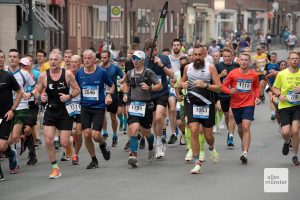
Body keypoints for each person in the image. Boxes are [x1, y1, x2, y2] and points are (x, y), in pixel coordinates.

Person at [32, 51, 80, 179]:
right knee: (48, 141)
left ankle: (70, 148)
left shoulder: (68, 74)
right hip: (51, 110)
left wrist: (68, 96)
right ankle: (55, 168)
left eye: (55, 60)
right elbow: (35, 90)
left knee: (64, 142)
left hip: (64, 111)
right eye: (51, 60)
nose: (53, 62)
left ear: (60, 62)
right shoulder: (43, 76)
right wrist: (39, 96)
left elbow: (77, 89)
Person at [180, 44, 221, 174]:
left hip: (207, 104)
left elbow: (219, 87)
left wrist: (205, 85)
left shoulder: (211, 68)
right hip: (191, 103)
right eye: (195, 55)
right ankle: (197, 162)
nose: (197, 57)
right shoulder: (187, 67)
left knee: (208, 135)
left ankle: (212, 147)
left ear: (204, 55)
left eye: (199, 55)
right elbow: (180, 83)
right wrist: (182, 85)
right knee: (194, 130)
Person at [122, 50, 163, 167]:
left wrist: (149, 87)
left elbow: (160, 86)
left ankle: (151, 145)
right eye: (133, 58)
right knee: (134, 129)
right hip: (134, 104)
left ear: (143, 60)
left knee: (146, 132)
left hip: (146, 105)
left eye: (137, 59)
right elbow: (126, 83)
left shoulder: (148, 72)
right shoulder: (130, 73)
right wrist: (125, 94)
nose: (135, 61)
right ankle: (133, 155)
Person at [75, 49, 114, 169]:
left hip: (98, 107)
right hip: (85, 107)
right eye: (85, 58)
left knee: (96, 135)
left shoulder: (101, 72)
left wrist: (108, 95)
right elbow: (75, 87)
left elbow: (112, 85)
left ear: (94, 59)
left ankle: (102, 143)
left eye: (89, 58)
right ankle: (94, 159)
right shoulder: (79, 73)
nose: (86, 60)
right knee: (86, 135)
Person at [222, 52, 260, 164]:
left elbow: (256, 86)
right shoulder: (233, 73)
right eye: (242, 60)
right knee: (240, 128)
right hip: (235, 104)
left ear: (249, 62)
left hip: (249, 103)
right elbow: (223, 86)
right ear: (239, 61)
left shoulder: (253, 74)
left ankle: (245, 153)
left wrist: (257, 96)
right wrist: (229, 91)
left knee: (246, 126)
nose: (243, 62)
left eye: (246, 60)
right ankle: (244, 142)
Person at [144, 38, 174, 159]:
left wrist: (161, 65)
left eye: (156, 50)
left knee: (159, 116)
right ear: (146, 51)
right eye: (151, 51)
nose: (154, 53)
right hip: (150, 93)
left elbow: (172, 75)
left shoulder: (164, 58)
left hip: (162, 92)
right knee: (153, 120)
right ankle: (157, 140)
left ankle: (160, 143)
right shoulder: (144, 61)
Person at [8, 49, 36, 173]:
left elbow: (36, 87)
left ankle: (16, 163)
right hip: (7, 108)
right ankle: (18, 147)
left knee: (15, 135)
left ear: (18, 59)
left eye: (15, 56)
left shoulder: (24, 74)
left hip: (21, 107)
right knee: (8, 140)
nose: (12, 58)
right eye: (10, 56)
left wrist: (29, 94)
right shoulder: (3, 73)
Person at [272, 51, 300, 166]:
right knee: (286, 132)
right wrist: (279, 95)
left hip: (298, 106)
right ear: (288, 60)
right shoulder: (282, 74)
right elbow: (274, 88)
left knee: (295, 130)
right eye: (292, 58)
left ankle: (295, 155)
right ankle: (287, 141)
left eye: (296, 59)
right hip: (285, 106)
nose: (294, 60)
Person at [0, 50, 23, 181]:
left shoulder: (7, 76)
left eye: (2, 57)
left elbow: (19, 92)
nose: (0, 59)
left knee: (2, 146)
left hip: (5, 115)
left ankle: (10, 153)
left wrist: (12, 109)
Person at [216, 47, 240, 146]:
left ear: (232, 57)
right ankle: (229, 132)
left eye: (229, 56)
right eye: (225, 56)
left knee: (231, 115)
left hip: (234, 94)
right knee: (226, 116)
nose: (227, 58)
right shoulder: (218, 66)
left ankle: (231, 135)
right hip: (222, 94)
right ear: (222, 57)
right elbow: (213, 80)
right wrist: (221, 75)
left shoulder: (236, 66)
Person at [100, 50, 124, 147]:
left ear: (109, 58)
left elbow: (123, 76)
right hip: (101, 94)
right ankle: (105, 133)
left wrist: (122, 81)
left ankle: (114, 135)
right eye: (101, 57)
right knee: (102, 115)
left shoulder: (115, 68)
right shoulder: (99, 68)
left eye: (105, 57)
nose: (103, 59)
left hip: (113, 95)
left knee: (113, 117)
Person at [264, 52, 279, 121]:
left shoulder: (279, 64)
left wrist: (275, 71)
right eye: (272, 57)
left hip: (278, 85)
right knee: (271, 99)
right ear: (270, 58)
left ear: (276, 57)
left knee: (277, 100)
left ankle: (277, 112)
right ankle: (272, 114)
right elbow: (265, 72)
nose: (273, 58)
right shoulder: (267, 65)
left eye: (274, 57)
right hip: (270, 84)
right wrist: (266, 72)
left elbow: (283, 71)